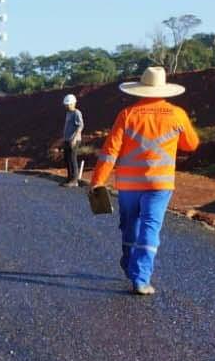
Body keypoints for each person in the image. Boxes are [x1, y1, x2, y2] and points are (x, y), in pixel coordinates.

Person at [88, 67, 199, 295]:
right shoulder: (177, 114)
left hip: (128, 185)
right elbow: (191, 144)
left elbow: (110, 151)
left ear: (140, 90)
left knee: (131, 224)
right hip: (159, 185)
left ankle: (130, 262)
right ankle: (141, 278)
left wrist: (98, 180)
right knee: (150, 226)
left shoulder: (127, 114)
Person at [61, 93, 84, 186]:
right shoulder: (68, 113)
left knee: (72, 158)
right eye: (66, 105)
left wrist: (74, 139)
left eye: (68, 104)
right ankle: (69, 179)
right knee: (67, 159)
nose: (67, 106)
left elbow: (81, 126)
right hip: (67, 139)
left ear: (73, 103)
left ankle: (74, 181)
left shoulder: (76, 113)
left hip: (74, 140)